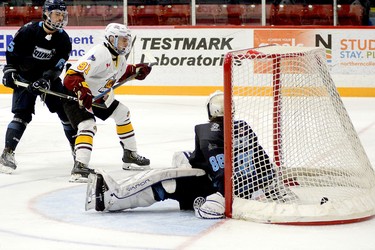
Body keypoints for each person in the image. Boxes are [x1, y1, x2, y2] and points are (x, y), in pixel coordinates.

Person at [85, 91, 287, 219]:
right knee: (180, 157)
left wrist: (223, 196)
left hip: (219, 188)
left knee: (168, 182)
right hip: (238, 187)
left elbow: (221, 171)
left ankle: (114, 199)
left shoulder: (207, 130)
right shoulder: (244, 127)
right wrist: (271, 188)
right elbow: (264, 165)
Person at [62, 23, 152, 183]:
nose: (126, 43)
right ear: (112, 39)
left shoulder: (120, 57)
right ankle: (79, 167)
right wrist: (82, 90)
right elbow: (71, 76)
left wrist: (136, 71)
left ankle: (129, 155)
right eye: (123, 40)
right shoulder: (99, 53)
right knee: (87, 124)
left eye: (127, 40)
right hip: (76, 95)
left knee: (122, 113)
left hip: (97, 96)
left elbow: (119, 73)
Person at [0, 0, 76, 174]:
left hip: (47, 79)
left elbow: (58, 66)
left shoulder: (63, 39)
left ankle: (77, 151)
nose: (61, 17)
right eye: (57, 13)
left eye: (63, 14)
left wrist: (46, 79)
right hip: (25, 77)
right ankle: (7, 153)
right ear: (47, 14)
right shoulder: (28, 31)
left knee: (64, 112)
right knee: (22, 115)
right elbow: (12, 54)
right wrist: (9, 71)